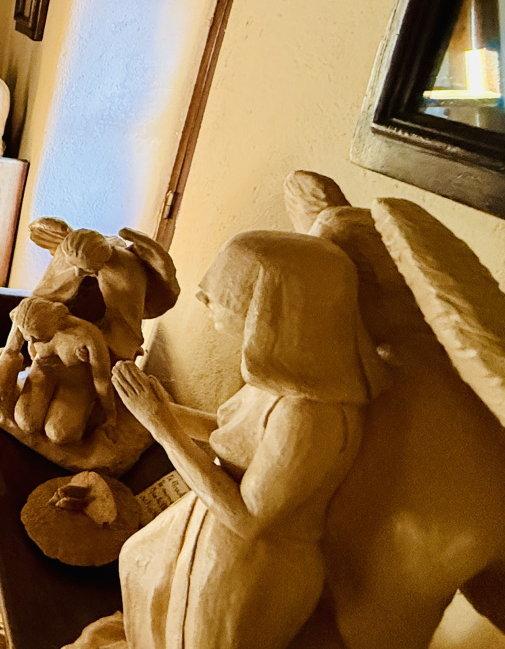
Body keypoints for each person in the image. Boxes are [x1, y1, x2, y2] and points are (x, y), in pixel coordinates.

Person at [100, 231, 384, 649]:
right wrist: (158, 410)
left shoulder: (312, 415)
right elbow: (228, 433)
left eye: (230, 285)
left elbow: (248, 519)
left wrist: (161, 425)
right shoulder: (279, 381)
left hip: (254, 561)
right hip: (213, 520)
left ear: (272, 307)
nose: (204, 296)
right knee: (138, 557)